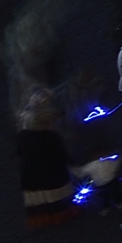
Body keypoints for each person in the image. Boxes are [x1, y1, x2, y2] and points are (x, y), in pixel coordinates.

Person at [17, 96, 76, 231]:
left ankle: (43, 219)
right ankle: (60, 216)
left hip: (31, 174)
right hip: (51, 173)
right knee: (55, 195)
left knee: (40, 198)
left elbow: (19, 152)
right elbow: (61, 154)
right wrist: (72, 163)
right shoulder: (50, 137)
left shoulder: (23, 135)